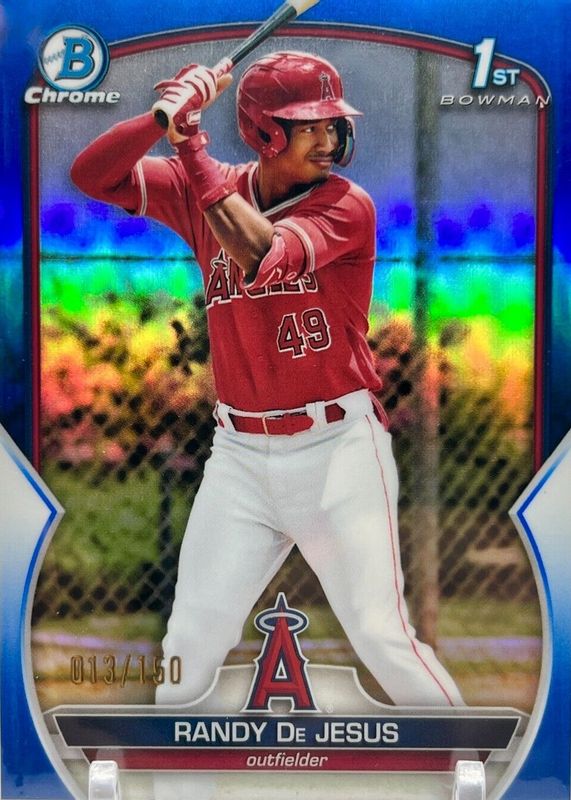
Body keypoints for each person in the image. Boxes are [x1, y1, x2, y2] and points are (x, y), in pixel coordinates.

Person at [71, 50, 463, 714]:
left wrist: (189, 143)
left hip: (337, 450)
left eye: (332, 124)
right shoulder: (204, 183)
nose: (328, 138)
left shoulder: (346, 205)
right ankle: (168, 773)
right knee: (190, 640)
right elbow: (91, 175)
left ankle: (473, 760)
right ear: (262, 132)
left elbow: (261, 251)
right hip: (240, 457)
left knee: (380, 633)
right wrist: (162, 118)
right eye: (308, 125)